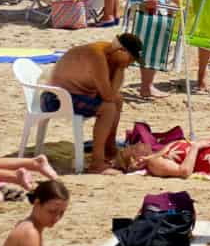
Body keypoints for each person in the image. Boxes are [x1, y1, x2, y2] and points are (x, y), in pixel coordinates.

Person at [47, 35, 142, 172]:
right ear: (121, 51)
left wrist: (119, 68)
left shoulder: (111, 55)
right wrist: (120, 69)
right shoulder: (97, 55)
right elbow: (108, 96)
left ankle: (109, 147)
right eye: (131, 59)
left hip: (72, 95)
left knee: (118, 100)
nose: (130, 64)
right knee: (108, 108)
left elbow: (113, 93)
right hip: (55, 99)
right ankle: (96, 163)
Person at [111, 121, 210, 178]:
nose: (139, 144)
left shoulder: (157, 155)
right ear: (137, 161)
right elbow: (184, 172)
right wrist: (196, 147)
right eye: (135, 148)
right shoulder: (155, 163)